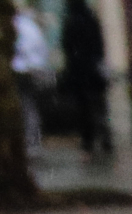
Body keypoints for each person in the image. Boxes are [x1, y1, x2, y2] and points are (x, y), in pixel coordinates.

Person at [58, 0, 106, 158]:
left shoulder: (70, 22)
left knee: (83, 108)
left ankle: (88, 142)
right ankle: (105, 139)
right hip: (92, 70)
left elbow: (66, 46)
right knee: (99, 105)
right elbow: (99, 46)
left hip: (78, 72)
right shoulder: (90, 20)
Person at [13, 3, 49, 160]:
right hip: (31, 70)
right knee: (29, 107)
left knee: (25, 106)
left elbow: (23, 48)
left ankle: (29, 142)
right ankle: (32, 142)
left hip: (21, 70)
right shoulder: (30, 26)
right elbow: (41, 49)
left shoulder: (18, 26)